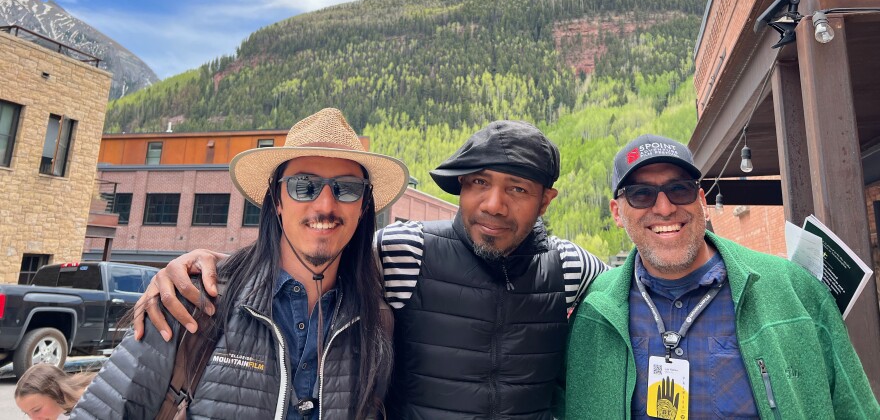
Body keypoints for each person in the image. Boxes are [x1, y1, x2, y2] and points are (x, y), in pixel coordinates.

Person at [136, 119, 608, 418]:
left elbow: (634, 296)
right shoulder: (405, 251)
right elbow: (312, 250)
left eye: (518, 189)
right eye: (479, 182)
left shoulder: (573, 269)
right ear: (460, 188)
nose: (494, 204)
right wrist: (211, 266)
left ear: (547, 200)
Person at [71, 108, 409, 419]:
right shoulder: (191, 301)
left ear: (364, 205)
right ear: (277, 200)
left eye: (346, 188)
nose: (325, 203)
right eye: (303, 186)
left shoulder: (376, 325)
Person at [565, 134, 880, 419]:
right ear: (617, 213)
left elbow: (856, 408)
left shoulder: (792, 288)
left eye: (679, 189)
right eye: (641, 194)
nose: (664, 208)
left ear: (701, 200)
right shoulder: (595, 311)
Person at [15, 364, 95, 420]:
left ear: (57, 392)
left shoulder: (97, 402)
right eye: (27, 413)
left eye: (37, 410)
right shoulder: (61, 413)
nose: (34, 418)